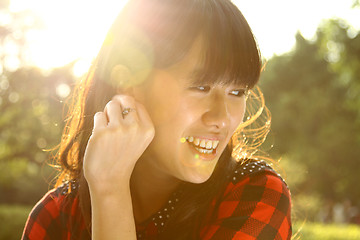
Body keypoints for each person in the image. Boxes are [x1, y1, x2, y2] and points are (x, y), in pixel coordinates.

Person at [22, 0, 292, 239]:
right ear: (128, 84)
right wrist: (107, 187)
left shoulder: (255, 195)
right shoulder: (56, 217)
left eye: (237, 92)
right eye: (201, 87)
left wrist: (110, 191)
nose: (222, 119)